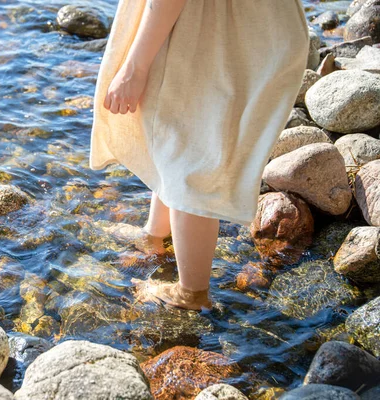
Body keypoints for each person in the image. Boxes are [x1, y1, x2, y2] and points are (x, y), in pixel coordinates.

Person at [89, 0, 310, 311]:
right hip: (246, 27)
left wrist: (135, 66)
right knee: (174, 132)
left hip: (208, 33)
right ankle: (155, 235)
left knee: (191, 157)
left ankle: (191, 293)